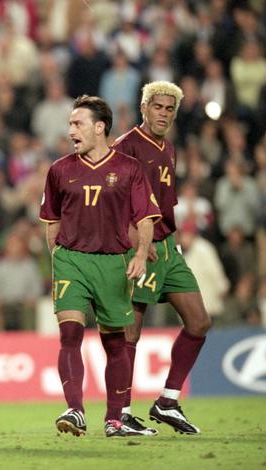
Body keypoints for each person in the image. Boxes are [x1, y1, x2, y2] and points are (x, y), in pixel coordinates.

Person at [40, 95, 161, 438]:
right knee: (70, 334)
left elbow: (147, 218)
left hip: (113, 261)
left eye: (77, 124)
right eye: (69, 124)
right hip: (71, 260)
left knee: (115, 343)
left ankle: (114, 420)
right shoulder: (59, 170)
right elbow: (51, 221)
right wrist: (58, 260)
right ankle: (75, 410)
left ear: (99, 128)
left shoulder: (128, 169)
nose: (70, 131)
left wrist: (140, 254)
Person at [113, 81, 211, 435]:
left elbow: (166, 199)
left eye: (170, 109)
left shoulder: (169, 148)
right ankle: (120, 412)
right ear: (144, 108)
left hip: (169, 246)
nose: (164, 114)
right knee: (131, 330)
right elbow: (113, 199)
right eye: (158, 107)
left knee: (199, 322)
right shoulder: (126, 147)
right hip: (142, 246)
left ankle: (167, 402)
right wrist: (135, 240)